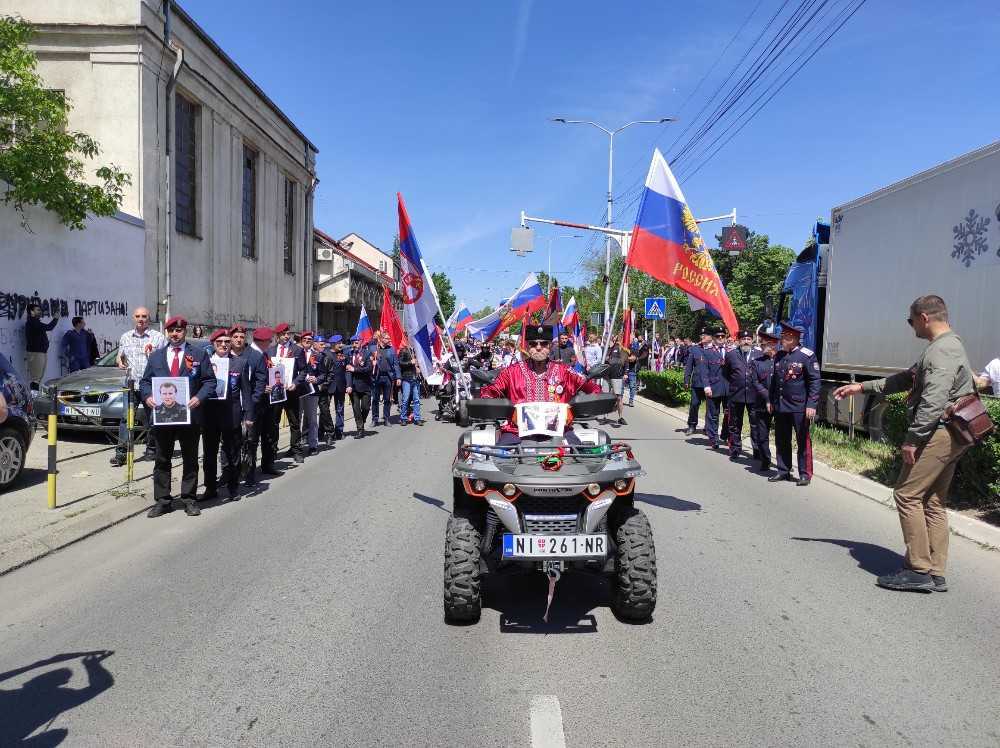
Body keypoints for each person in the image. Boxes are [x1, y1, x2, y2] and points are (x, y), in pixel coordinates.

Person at [833, 295, 976, 593]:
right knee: (933, 501)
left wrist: (914, 439)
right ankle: (935, 571)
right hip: (949, 432)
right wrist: (860, 387)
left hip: (938, 433)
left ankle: (918, 569)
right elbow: (905, 379)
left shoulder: (942, 350)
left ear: (924, 317)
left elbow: (934, 399)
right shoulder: (944, 347)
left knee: (907, 495)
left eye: (910, 320)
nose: (910, 326)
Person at [139, 316, 216, 518]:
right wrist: (147, 397)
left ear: (185, 332)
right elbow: (145, 382)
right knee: (162, 459)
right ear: (167, 332)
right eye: (171, 330)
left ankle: (189, 499)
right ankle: (163, 501)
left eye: (179, 330)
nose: (175, 334)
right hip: (163, 417)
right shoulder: (156, 356)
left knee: (190, 459)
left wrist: (199, 398)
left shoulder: (199, 354)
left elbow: (209, 382)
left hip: (189, 416)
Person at [480, 324, 601, 445]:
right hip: (516, 431)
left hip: (560, 431)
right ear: (527, 347)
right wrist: (488, 402)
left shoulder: (565, 371)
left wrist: (590, 402)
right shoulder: (511, 372)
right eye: (533, 344)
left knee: (580, 456)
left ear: (550, 346)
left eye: (543, 344)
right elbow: (489, 392)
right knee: (499, 457)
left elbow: (591, 387)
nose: (538, 348)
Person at [202, 329, 260, 500]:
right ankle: (210, 488)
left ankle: (233, 487)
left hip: (231, 414)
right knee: (209, 454)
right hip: (210, 414)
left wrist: (249, 415)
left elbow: (246, 392)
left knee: (232, 453)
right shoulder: (206, 361)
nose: (223, 345)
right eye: (219, 342)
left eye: (227, 341)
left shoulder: (240, 363)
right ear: (213, 343)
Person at [767, 321, 820, 486]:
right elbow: (774, 382)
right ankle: (783, 470)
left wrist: (811, 404)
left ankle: (805, 473)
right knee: (782, 439)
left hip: (799, 406)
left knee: (802, 440)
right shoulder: (779, 356)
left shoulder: (807, 355)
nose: (781, 339)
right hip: (781, 405)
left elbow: (815, 381)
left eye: (784, 337)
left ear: (794, 338)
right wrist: (770, 400)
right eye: (782, 336)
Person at [111, 306, 166, 467]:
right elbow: (119, 357)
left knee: (152, 420)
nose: (141, 319)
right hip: (131, 385)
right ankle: (121, 453)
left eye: (144, 316)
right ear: (133, 318)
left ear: (149, 319)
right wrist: (119, 361)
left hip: (150, 386)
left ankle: (151, 449)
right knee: (125, 419)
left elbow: (164, 361)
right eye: (138, 316)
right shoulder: (125, 337)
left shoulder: (158, 338)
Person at [246, 327, 281, 480]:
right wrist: (260, 388)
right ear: (262, 341)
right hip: (255, 403)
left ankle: (268, 464)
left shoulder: (264, 354)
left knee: (268, 435)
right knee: (252, 439)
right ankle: (249, 472)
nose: (271, 342)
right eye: (269, 340)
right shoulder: (250, 355)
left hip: (268, 402)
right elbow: (246, 381)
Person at [723, 330, 761, 461]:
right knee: (734, 423)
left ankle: (757, 450)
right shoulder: (731, 355)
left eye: (749, 339)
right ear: (739, 341)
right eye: (743, 339)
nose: (746, 341)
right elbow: (726, 374)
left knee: (755, 423)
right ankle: (735, 449)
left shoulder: (759, 354)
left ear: (752, 340)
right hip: (736, 394)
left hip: (754, 395)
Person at [269, 322, 303, 461]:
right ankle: (272, 450)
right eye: (283, 334)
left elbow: (304, 370)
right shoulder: (270, 351)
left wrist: (295, 383)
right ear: (277, 336)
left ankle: (296, 450)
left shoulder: (297, 350)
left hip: (291, 391)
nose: (286, 336)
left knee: (294, 422)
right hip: (276, 393)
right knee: (274, 422)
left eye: (288, 333)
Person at [750, 325, 779, 472]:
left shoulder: (782, 360)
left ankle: (782, 463)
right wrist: (767, 398)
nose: (761, 346)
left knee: (781, 435)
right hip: (762, 403)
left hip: (780, 404)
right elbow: (755, 382)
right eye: (761, 344)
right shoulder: (757, 362)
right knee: (762, 434)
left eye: (764, 344)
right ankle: (765, 459)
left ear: (772, 345)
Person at [296, 331, 326, 455]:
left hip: (312, 391)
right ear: (301, 340)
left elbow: (324, 374)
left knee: (312, 419)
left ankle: (313, 445)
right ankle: (295, 445)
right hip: (297, 390)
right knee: (296, 419)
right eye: (305, 338)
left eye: (310, 339)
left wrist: (317, 379)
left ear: (313, 341)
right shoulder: (295, 353)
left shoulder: (318, 355)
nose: (307, 340)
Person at [683, 328, 713, 438]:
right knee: (694, 405)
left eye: (705, 335)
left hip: (710, 384)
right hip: (697, 383)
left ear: (711, 337)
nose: (702, 336)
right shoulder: (695, 349)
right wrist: (686, 380)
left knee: (710, 407)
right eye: (701, 335)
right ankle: (692, 425)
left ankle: (708, 427)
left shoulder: (714, 349)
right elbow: (689, 366)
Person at [24, 303, 60, 388]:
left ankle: (35, 396)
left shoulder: (35, 322)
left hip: (41, 352)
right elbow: (49, 327)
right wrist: (55, 318)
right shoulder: (32, 322)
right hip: (35, 353)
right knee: (35, 378)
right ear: (31, 312)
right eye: (37, 310)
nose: (40, 312)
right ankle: (33, 398)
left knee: (38, 378)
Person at [345, 333, 375, 438]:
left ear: (361, 342)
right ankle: (360, 429)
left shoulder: (367, 354)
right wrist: (348, 385)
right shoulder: (349, 354)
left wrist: (355, 369)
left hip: (366, 385)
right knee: (356, 409)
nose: (354, 344)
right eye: (353, 342)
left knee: (366, 407)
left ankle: (362, 420)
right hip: (353, 387)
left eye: (356, 342)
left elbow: (368, 369)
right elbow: (348, 371)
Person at [371, 332, 401, 427]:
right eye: (387, 338)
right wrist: (372, 361)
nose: (389, 340)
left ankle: (386, 418)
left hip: (388, 377)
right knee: (375, 399)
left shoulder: (392, 350)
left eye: (389, 338)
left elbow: (396, 364)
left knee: (387, 399)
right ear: (382, 339)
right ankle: (374, 419)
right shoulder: (374, 349)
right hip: (377, 377)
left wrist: (398, 377)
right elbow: (368, 360)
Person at [325, 335, 348, 442]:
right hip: (328, 386)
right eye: (339, 343)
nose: (341, 345)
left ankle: (339, 431)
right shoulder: (327, 354)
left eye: (341, 342)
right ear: (333, 344)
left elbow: (346, 368)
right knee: (325, 410)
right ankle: (323, 431)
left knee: (340, 409)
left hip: (340, 386)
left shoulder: (344, 353)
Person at [398, 344, 424, 426]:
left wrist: (418, 367)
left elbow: (418, 362)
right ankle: (403, 418)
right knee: (405, 400)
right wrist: (410, 362)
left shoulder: (415, 350)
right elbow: (400, 363)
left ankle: (417, 418)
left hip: (415, 378)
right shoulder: (403, 350)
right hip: (406, 378)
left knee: (417, 400)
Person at [604, 334, 627, 426]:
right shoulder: (607, 349)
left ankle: (620, 417)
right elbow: (604, 361)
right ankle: (605, 417)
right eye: (614, 338)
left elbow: (625, 362)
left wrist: (625, 373)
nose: (615, 339)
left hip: (617, 375)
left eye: (617, 338)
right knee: (606, 397)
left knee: (619, 398)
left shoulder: (622, 349)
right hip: (606, 376)